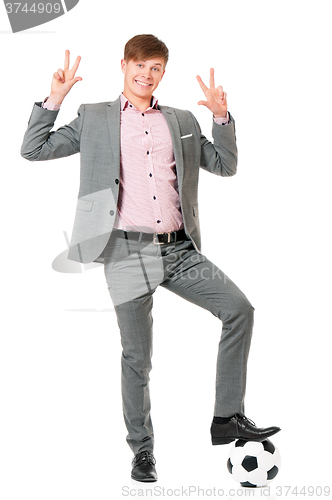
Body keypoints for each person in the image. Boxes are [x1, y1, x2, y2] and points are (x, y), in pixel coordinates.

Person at [21, 34, 280, 483]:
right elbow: (33, 149)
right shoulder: (94, 116)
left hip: (179, 248)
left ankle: (227, 418)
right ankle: (142, 451)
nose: (146, 74)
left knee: (239, 309)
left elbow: (225, 164)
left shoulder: (179, 119)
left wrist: (219, 116)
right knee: (138, 358)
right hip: (126, 251)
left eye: (155, 67)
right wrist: (54, 99)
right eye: (139, 65)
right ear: (124, 65)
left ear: (163, 72)